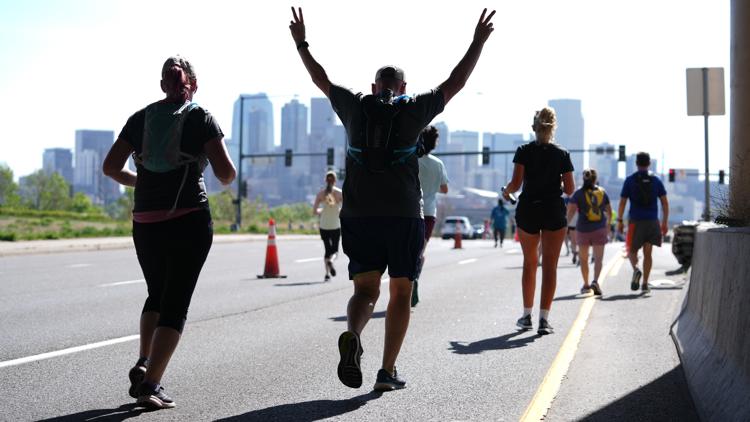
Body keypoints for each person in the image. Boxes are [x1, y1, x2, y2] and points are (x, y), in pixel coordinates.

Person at [289, 6, 495, 390]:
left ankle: (353, 332)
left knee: (365, 290)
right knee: (401, 291)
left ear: (373, 87)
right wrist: (477, 42)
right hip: (403, 215)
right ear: (402, 88)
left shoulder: (353, 105)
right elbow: (456, 81)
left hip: (359, 215)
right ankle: (387, 371)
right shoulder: (414, 109)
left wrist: (301, 43)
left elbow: (321, 78)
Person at [102, 56, 236, 409]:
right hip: (188, 218)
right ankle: (151, 384)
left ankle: (144, 360)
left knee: (156, 295)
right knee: (176, 303)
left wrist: (141, 180)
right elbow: (226, 174)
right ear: (193, 84)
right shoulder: (200, 117)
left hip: (145, 221)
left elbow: (110, 167)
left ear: (163, 84)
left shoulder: (140, 118)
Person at [503, 107, 575, 335]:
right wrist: (556, 186)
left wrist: (506, 191)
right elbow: (570, 189)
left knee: (530, 263)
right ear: (553, 128)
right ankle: (544, 320)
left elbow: (515, 185)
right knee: (550, 267)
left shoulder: (523, 151)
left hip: (529, 210)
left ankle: (526, 316)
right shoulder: (562, 153)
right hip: (553, 210)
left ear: (534, 127)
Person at [617, 152, 669, 293]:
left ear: (636, 163)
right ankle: (645, 284)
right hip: (652, 221)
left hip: (636, 221)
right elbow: (664, 203)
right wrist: (664, 222)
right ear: (649, 163)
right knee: (648, 253)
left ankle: (636, 269)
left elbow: (622, 202)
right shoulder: (656, 180)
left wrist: (620, 220)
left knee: (631, 251)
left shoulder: (630, 180)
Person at [412, 125, 449, 307]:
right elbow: (445, 189)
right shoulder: (438, 164)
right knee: (421, 252)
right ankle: (415, 277)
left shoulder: (412, 160)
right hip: (428, 213)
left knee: (408, 249)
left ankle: (410, 279)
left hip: (410, 211)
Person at [567, 168, 611, 296]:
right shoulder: (602, 192)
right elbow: (609, 210)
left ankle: (586, 284)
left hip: (583, 229)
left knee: (584, 259)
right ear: (595, 179)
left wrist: (566, 225)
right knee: (598, 259)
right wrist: (608, 225)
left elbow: (571, 211)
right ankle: (596, 281)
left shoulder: (578, 193)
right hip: (599, 228)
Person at [313, 171, 343, 281]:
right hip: (335, 225)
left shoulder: (320, 194)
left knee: (327, 250)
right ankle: (332, 261)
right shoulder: (339, 193)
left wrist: (322, 210)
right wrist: (338, 210)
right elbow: (345, 209)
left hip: (324, 226)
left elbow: (315, 211)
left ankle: (327, 274)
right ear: (335, 181)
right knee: (334, 251)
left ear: (326, 180)